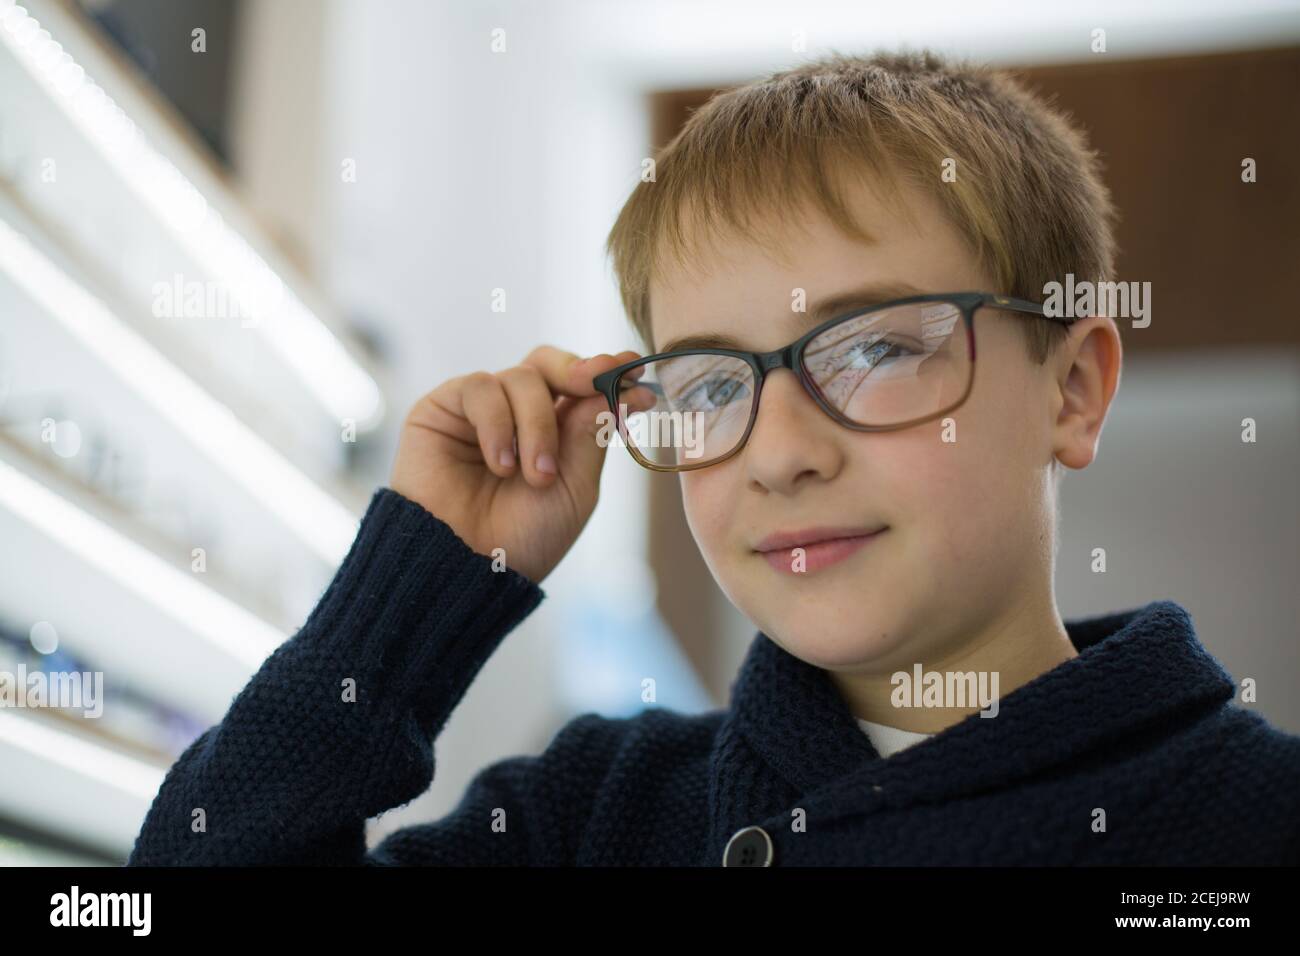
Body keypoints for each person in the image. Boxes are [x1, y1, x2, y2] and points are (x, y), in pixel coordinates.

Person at [127, 49, 1300, 867]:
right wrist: (414, 593)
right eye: (703, 383)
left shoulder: (1255, 819)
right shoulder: (590, 815)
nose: (779, 453)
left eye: (878, 345)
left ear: (1074, 389)